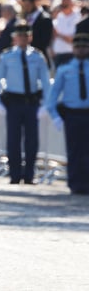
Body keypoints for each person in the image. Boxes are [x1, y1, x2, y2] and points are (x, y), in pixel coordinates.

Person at [0, 21, 51, 184]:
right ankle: (15, 175)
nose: (22, 39)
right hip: (14, 102)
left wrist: (46, 105)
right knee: (13, 139)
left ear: (30, 37)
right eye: (19, 36)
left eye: (25, 36)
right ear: (14, 38)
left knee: (32, 140)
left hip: (31, 102)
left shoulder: (37, 56)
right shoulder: (7, 56)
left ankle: (29, 175)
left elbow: (45, 81)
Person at [43, 31, 89, 195]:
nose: (82, 50)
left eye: (85, 47)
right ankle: (75, 183)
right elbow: (52, 97)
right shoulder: (65, 69)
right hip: (73, 114)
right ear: (73, 49)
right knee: (74, 150)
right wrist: (55, 117)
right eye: (78, 47)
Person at [21, 0, 53, 65]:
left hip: (39, 56)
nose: (26, 8)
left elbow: (45, 41)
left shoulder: (45, 18)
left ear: (35, 2)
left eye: (28, 5)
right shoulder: (24, 16)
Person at [51, 0, 81, 67]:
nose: (63, 6)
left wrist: (58, 35)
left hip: (72, 55)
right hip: (58, 56)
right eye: (62, 4)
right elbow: (53, 36)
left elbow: (74, 40)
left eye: (66, 4)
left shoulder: (78, 18)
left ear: (73, 4)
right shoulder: (59, 16)